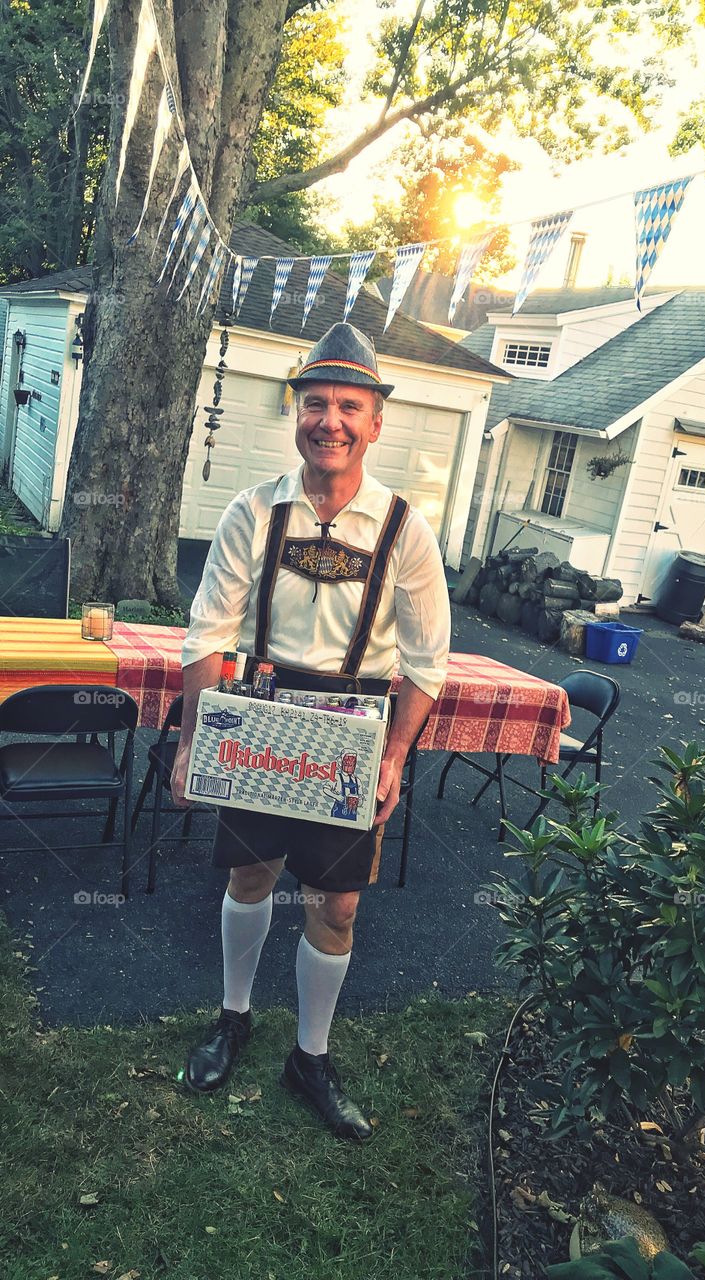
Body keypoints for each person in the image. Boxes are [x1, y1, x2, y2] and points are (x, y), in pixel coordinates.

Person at [171, 321, 450, 1141]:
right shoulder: (252, 511)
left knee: (335, 905)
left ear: (375, 421)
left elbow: (428, 660)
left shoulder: (405, 529)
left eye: (348, 407)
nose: (330, 420)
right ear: (296, 412)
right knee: (250, 877)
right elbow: (206, 635)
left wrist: (395, 754)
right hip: (260, 711)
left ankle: (311, 1056)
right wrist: (193, 739)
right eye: (316, 403)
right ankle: (232, 1018)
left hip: (353, 728)